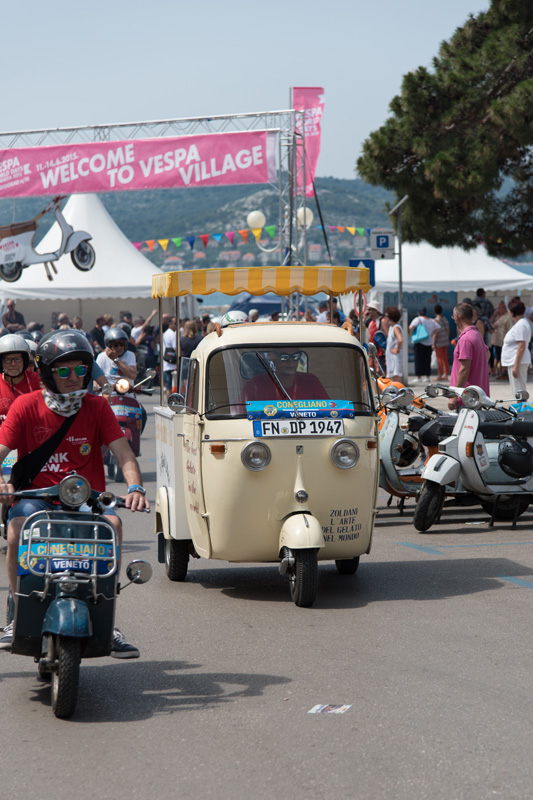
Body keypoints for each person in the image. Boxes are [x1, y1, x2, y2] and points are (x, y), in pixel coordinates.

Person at [0, 330, 148, 657]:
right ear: (48, 372)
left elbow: (124, 454)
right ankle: (17, 609)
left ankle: (108, 618)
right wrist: (2, 480)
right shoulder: (25, 405)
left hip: (85, 496)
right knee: (14, 532)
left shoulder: (97, 406)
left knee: (114, 525)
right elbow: (1, 450)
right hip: (36, 496)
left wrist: (135, 487)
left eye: (80, 369)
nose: (72, 377)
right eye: (63, 370)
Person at [240, 348, 329, 403]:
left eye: (295, 356)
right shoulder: (255, 384)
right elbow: (239, 416)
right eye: (284, 357)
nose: (291, 361)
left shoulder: (311, 381)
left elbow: (330, 410)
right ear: (272, 357)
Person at [448, 303, 490, 411]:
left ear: (457, 317)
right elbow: (487, 353)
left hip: (467, 398)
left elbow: (464, 369)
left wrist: (453, 395)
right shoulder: (476, 335)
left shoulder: (466, 339)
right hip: (477, 395)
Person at [0, 335, 41, 426]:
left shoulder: (36, 381)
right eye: (8, 360)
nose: (13, 364)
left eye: (17, 359)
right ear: (1, 362)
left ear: (24, 360)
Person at [501, 298, 531, 397]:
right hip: (517, 361)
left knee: (519, 390)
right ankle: (521, 409)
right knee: (517, 389)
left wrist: (515, 366)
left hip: (518, 361)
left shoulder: (521, 325)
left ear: (513, 312)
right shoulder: (521, 323)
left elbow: (521, 346)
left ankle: (521, 410)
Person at [409, 307, 440, 382]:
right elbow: (438, 328)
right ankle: (427, 377)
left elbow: (410, 327)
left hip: (419, 341)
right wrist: (432, 333)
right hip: (429, 342)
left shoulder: (418, 319)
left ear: (419, 313)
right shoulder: (431, 320)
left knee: (418, 359)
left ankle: (418, 377)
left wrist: (411, 335)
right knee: (427, 360)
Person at [367, 300, 390, 373]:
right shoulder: (371, 322)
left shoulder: (382, 321)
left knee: (382, 374)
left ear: (376, 310)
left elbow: (388, 336)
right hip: (373, 353)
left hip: (381, 353)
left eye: (370, 309)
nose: (368, 312)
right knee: (372, 373)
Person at [385, 307, 403, 382]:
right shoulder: (391, 328)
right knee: (393, 379)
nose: (385, 317)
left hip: (395, 358)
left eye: (386, 315)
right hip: (392, 358)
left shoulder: (396, 327)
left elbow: (400, 340)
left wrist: (397, 350)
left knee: (396, 379)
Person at [432, 304, 450, 381]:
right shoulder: (445, 319)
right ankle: (445, 374)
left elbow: (435, 333)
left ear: (434, 311)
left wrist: (433, 343)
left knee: (439, 359)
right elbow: (448, 330)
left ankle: (439, 375)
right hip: (445, 341)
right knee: (445, 359)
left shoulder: (435, 320)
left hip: (439, 342)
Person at [162, 316, 178, 398]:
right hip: (172, 364)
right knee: (172, 386)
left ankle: (169, 402)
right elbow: (176, 348)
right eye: (175, 323)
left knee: (169, 385)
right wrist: (178, 362)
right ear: (170, 324)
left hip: (166, 363)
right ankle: (171, 402)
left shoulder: (165, 333)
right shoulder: (172, 334)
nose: (176, 325)